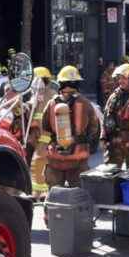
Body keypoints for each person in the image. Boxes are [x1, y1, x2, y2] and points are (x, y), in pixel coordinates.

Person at [41, 66, 99, 189]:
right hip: (77, 159)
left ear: (60, 83)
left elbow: (45, 127)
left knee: (54, 196)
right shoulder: (85, 103)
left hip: (55, 159)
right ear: (77, 84)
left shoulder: (52, 103)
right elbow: (94, 128)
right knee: (80, 195)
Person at [26, 67, 58, 199]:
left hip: (46, 135)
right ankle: (40, 192)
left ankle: (42, 193)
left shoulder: (50, 95)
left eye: (35, 78)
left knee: (38, 163)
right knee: (37, 164)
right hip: (38, 135)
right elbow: (31, 109)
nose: (33, 82)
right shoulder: (38, 94)